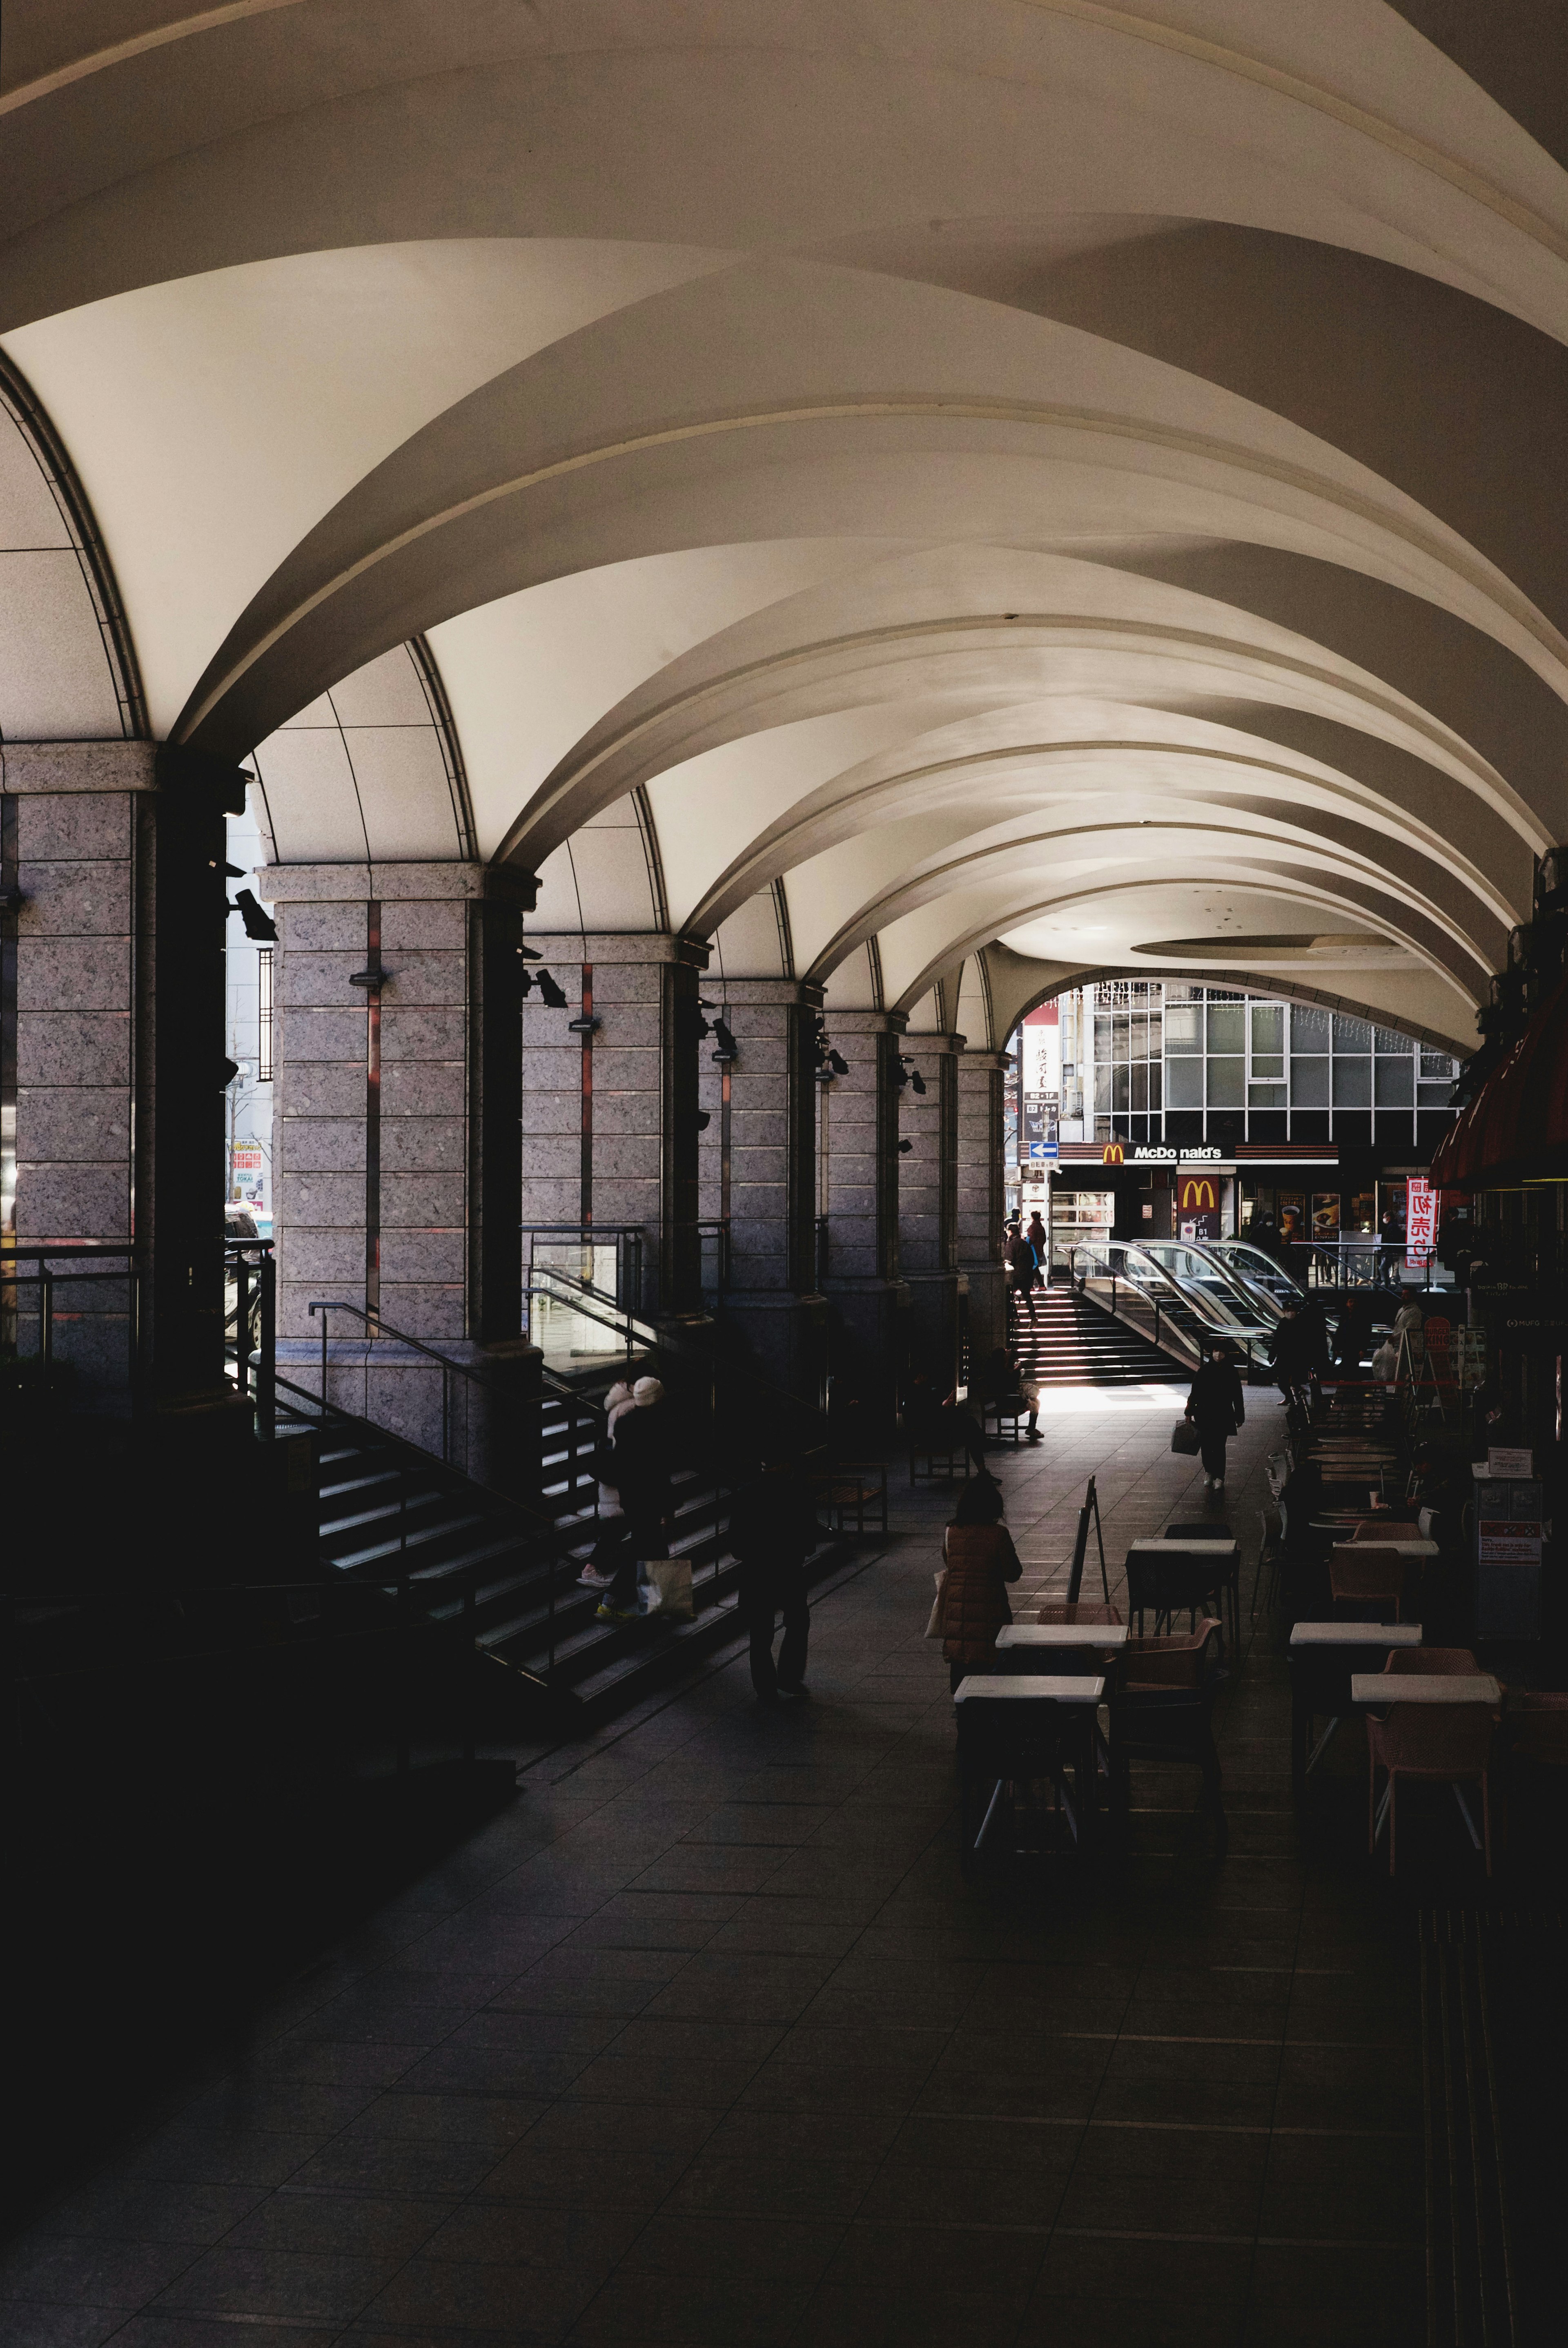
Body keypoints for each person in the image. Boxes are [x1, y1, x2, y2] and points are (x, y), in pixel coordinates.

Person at [728, 1450, 820, 1700]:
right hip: (789, 1570)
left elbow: (736, 1545)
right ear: (787, 1467)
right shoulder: (799, 1496)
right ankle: (789, 1677)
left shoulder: (744, 1495)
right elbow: (810, 1541)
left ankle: (765, 1686)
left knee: (760, 1631)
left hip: (756, 1572)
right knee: (798, 1623)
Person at [586, 1375, 672, 1621]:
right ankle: (610, 1603)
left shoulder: (626, 1423)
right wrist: (668, 1510)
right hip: (650, 1499)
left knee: (655, 1548)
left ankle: (661, 1603)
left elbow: (624, 1465)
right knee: (644, 1548)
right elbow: (659, 1472)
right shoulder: (658, 1427)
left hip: (631, 1496)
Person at [938, 1476, 1022, 1694]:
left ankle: (965, 1725)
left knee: (962, 1692)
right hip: (990, 1617)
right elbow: (1013, 1573)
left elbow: (949, 1562)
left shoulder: (951, 1532)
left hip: (958, 1621)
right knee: (992, 1689)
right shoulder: (998, 1535)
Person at [904, 1368, 993, 1477]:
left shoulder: (918, 1392)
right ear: (920, 1377)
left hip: (934, 1432)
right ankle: (984, 1451)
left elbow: (932, 1413)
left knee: (970, 1429)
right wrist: (943, 1407)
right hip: (929, 1436)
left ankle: (984, 1457)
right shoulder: (914, 1395)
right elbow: (925, 1418)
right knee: (971, 1430)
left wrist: (945, 1406)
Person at [1185, 1342, 1245, 1492]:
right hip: (1206, 1414)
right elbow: (1196, 1393)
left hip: (1222, 1414)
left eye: (1221, 1352)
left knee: (1218, 1446)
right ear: (1212, 1353)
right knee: (1207, 1446)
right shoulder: (1204, 1371)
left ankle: (1219, 1476)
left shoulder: (1230, 1371)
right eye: (1216, 1351)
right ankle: (1210, 1472)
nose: (1219, 1354)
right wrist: (1189, 1411)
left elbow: (1237, 1395)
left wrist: (1239, 1415)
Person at [973, 1344, 1042, 1443]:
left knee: (1035, 1401)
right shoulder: (998, 1371)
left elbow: (1007, 1381)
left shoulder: (995, 1368)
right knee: (1035, 1403)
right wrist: (1017, 1371)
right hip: (1006, 1401)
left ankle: (1031, 1429)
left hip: (1003, 1398)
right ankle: (1031, 1429)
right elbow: (1009, 1384)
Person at [1269, 1298, 1319, 1416]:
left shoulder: (1303, 1323)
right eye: (1288, 1311)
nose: (1290, 1313)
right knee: (1281, 1380)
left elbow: (1309, 1343)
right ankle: (1290, 1397)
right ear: (1284, 1311)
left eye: (1292, 1311)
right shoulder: (1283, 1323)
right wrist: (1272, 1356)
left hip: (1298, 1358)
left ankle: (1297, 1400)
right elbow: (1277, 1341)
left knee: (1296, 1381)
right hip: (1284, 1358)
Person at [1007, 1223, 1039, 1325]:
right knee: (1027, 1297)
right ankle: (1033, 1318)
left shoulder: (1011, 1244)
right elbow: (1032, 1260)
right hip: (1027, 1275)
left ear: (1011, 1232)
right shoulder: (1025, 1244)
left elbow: (1010, 1260)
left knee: (1009, 1296)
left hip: (1016, 1276)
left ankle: (1016, 1317)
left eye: (1008, 1231)